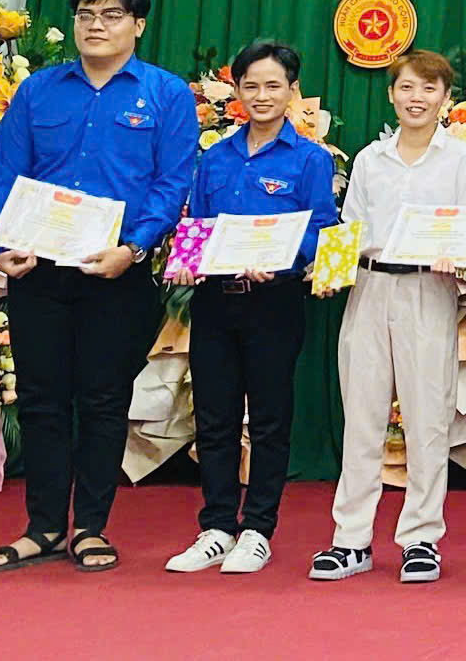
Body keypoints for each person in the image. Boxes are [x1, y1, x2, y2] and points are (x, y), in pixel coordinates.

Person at [0, 0, 194, 574]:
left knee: (103, 400)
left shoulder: (166, 93)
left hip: (117, 272)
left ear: (138, 25)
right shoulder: (39, 90)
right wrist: (0, 246)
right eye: (85, 14)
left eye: (112, 14)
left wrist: (135, 247)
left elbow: (172, 181)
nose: (96, 24)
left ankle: (91, 527)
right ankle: (44, 527)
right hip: (39, 269)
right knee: (41, 399)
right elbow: (3, 173)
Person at [159, 40, 340, 575]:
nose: (262, 95)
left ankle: (258, 529)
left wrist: (281, 256)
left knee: (268, 420)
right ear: (236, 89)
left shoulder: (310, 159)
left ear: (292, 91)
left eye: (273, 86)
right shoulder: (214, 157)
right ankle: (216, 527)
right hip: (215, 302)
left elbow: (324, 231)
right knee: (214, 418)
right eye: (251, 85)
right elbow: (197, 225)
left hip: (274, 303)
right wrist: (187, 261)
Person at [313, 50, 466, 583]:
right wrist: (330, 272)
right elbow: (351, 227)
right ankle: (351, 540)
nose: (417, 98)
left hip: (428, 290)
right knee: (361, 416)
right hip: (370, 287)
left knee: (427, 417)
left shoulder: (462, 161)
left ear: (446, 99)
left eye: (429, 89)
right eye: (407, 88)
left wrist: (460, 256)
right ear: (391, 95)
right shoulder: (371, 158)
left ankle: (421, 538)